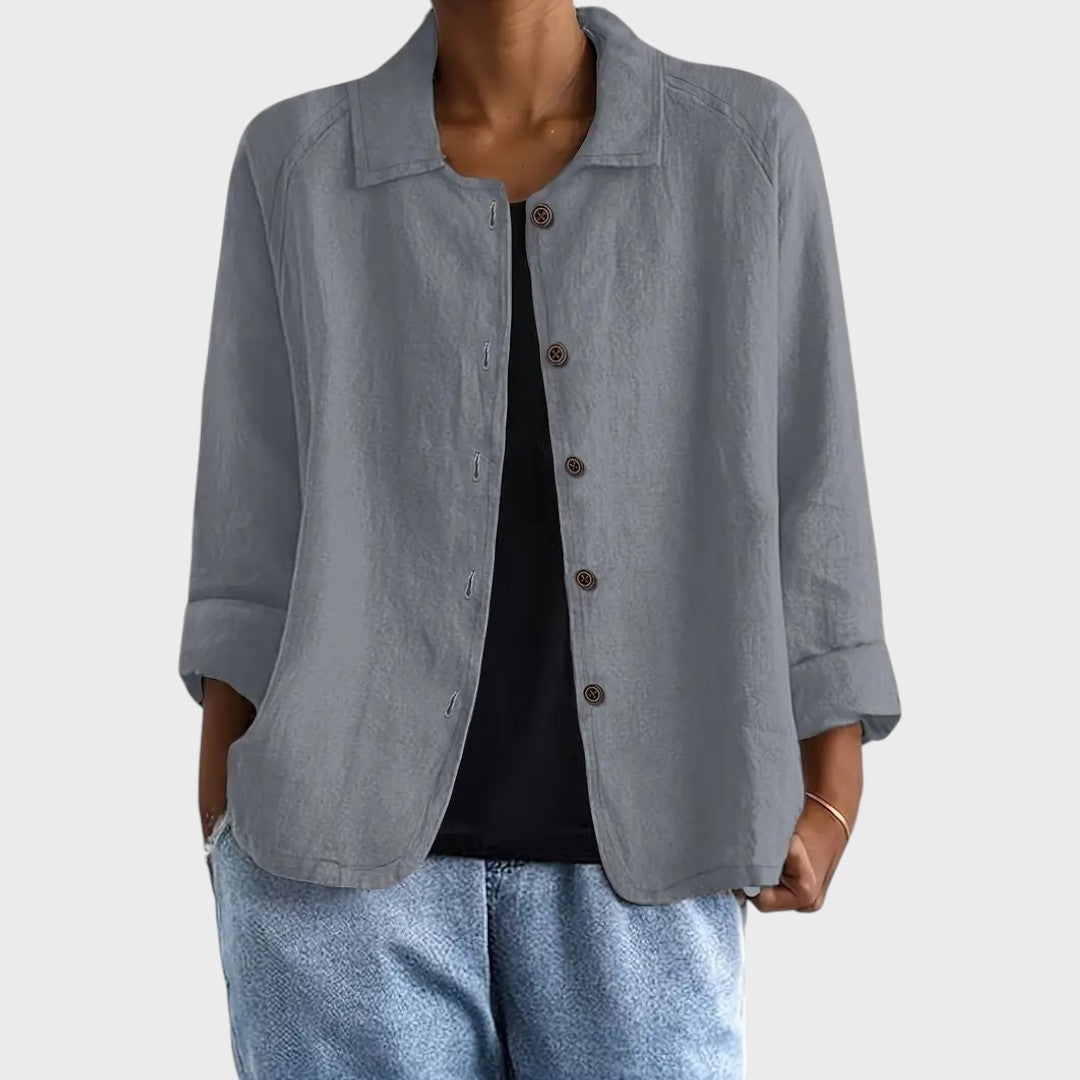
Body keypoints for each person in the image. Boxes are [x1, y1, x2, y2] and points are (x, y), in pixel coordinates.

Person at [180, 3, 902, 1077]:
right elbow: (250, 516)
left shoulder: (745, 146)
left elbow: (815, 479)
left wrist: (832, 790)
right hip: (330, 887)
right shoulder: (297, 162)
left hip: (653, 869)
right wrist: (227, 825)